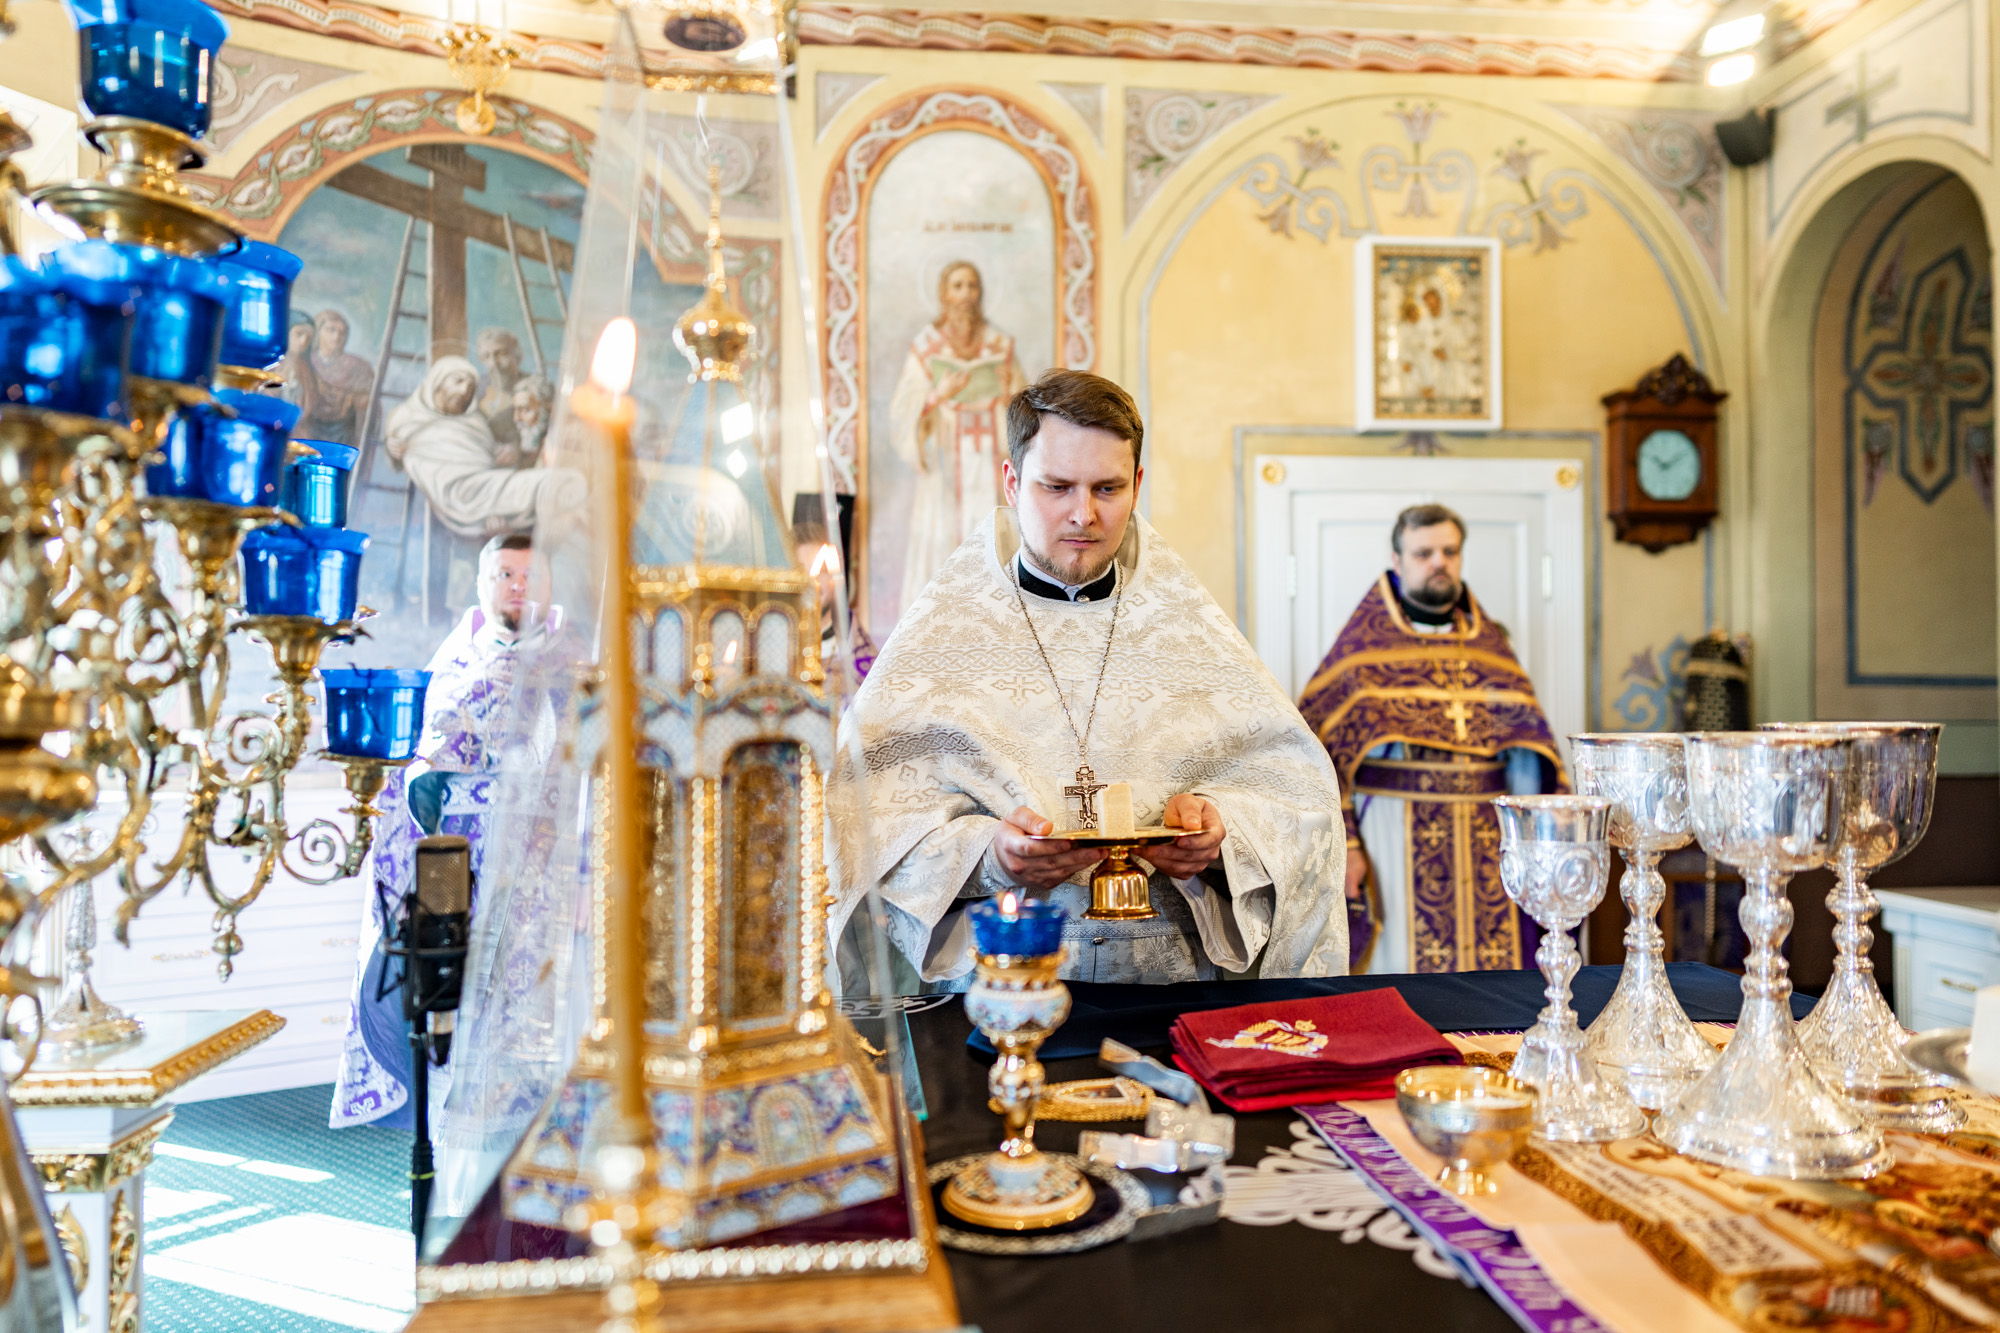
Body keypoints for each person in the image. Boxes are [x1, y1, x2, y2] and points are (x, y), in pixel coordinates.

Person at [830, 369, 1346, 986]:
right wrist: (989, 856)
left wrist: (1220, 834)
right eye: (1057, 487)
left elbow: (1299, 801)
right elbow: (860, 825)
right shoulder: (943, 637)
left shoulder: (1189, 630)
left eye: (1108, 488)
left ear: (1137, 485)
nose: (1084, 514)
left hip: (1172, 989)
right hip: (1003, 988)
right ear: (1012, 482)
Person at [330, 534, 562, 1141]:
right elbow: (414, 763)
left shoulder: (573, 668)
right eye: (505, 574)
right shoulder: (450, 665)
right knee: (441, 995)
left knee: (530, 1003)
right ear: (482, 584)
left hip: (541, 869)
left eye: (530, 576)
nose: (518, 586)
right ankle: (441, 1139)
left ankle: (519, 1145)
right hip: (446, 863)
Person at [1299, 504, 1565, 975]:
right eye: (1424, 553)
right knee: (1402, 965)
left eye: (1450, 551)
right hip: (1392, 836)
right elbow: (1318, 756)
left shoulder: (1491, 650)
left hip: (1486, 838)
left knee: (1490, 972)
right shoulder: (1362, 649)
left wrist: (1541, 839)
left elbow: (1530, 752)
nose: (1439, 562)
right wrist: (1348, 847)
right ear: (1397, 560)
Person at [887, 260, 1028, 615]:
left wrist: (1008, 395)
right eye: (958, 286)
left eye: (972, 286)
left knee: (993, 547)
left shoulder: (999, 346)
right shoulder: (926, 347)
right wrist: (938, 395)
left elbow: (1029, 416)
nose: (966, 294)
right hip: (944, 470)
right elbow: (903, 411)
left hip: (989, 465)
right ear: (943, 294)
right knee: (941, 551)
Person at [387, 356, 587, 540]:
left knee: (557, 487)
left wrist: (506, 454)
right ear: (437, 382)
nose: (464, 391)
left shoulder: (475, 421)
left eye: (470, 387)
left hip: (489, 489)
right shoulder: (407, 419)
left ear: (549, 410)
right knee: (559, 484)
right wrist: (391, 450)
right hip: (459, 494)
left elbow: (487, 457)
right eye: (458, 381)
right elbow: (408, 460)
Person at [793, 519, 875, 684]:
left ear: (837, 581)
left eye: (822, 571)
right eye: (801, 570)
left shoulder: (862, 659)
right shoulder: (771, 646)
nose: (811, 581)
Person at [300, 309, 375, 446]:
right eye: (331, 330)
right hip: (308, 431)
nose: (336, 337)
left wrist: (354, 399)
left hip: (344, 434)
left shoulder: (359, 367)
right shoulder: (304, 363)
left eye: (342, 332)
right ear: (318, 332)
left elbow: (368, 406)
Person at [475, 328, 527, 450]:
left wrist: (518, 448)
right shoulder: (476, 388)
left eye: (501, 354)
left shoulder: (535, 387)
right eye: (486, 356)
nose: (493, 363)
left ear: (517, 354)